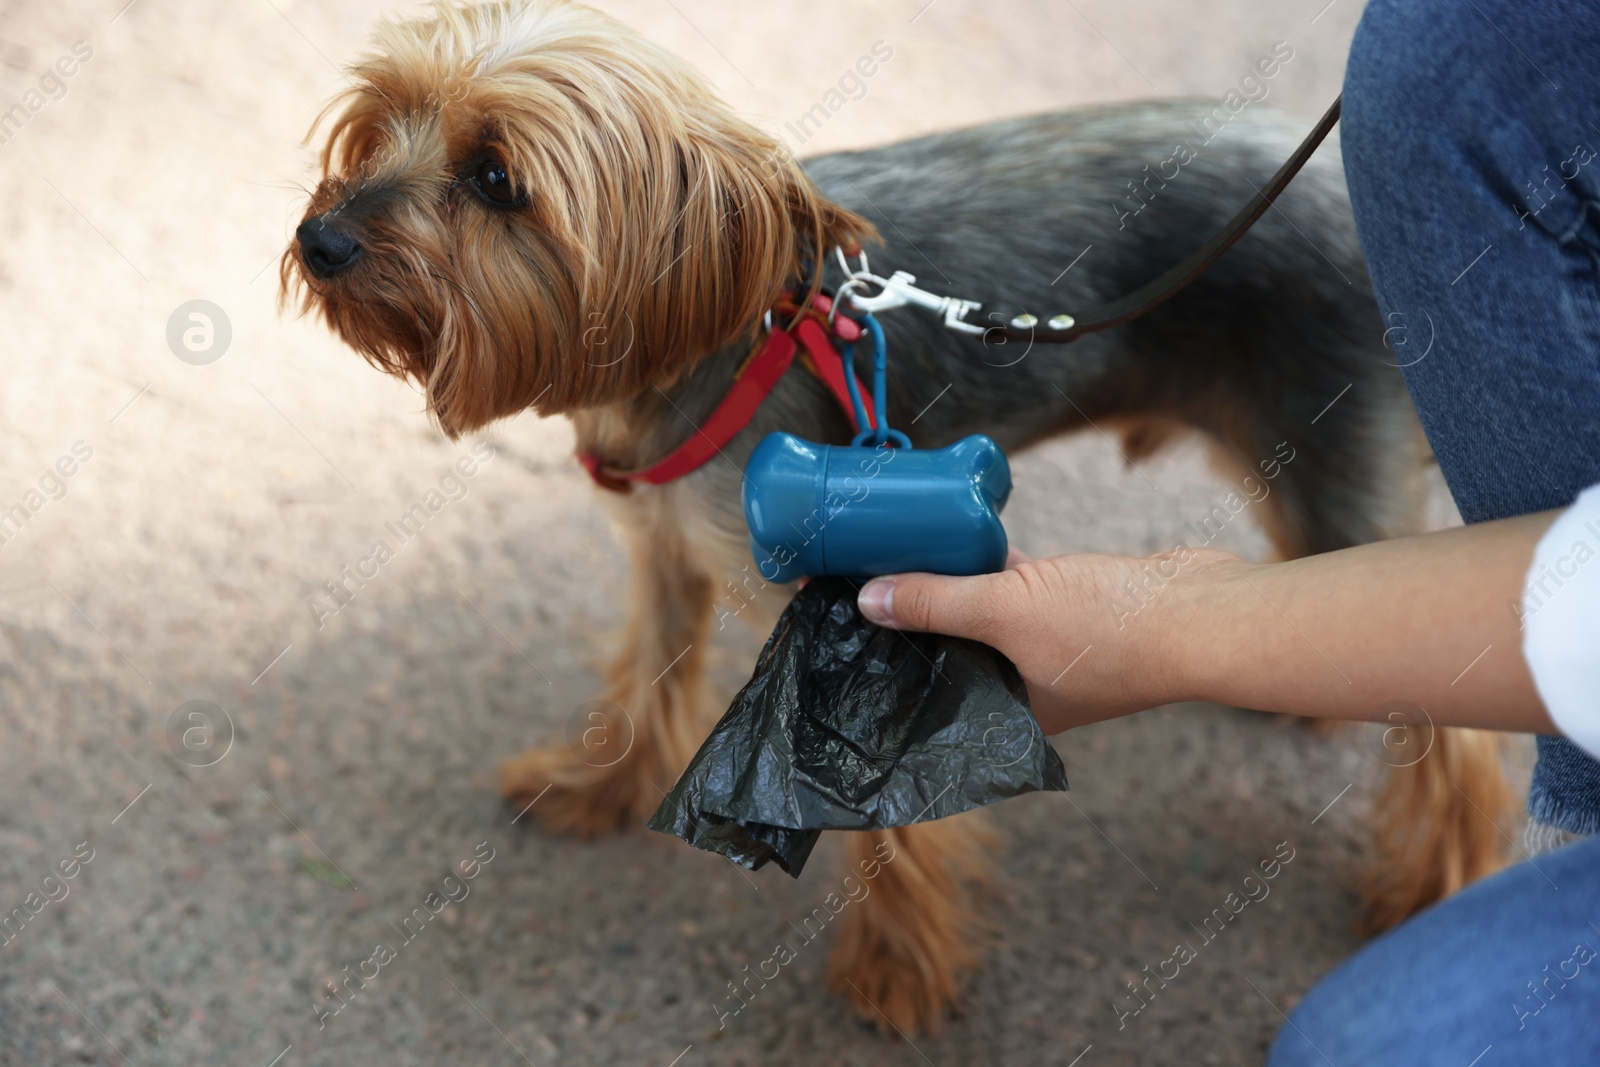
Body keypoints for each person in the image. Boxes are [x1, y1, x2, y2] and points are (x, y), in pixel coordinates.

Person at [855, 0, 1600, 1061]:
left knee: (1360, 553)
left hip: (1271, 294)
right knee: (1449, 46)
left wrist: (1169, 633)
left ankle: (1461, 840)